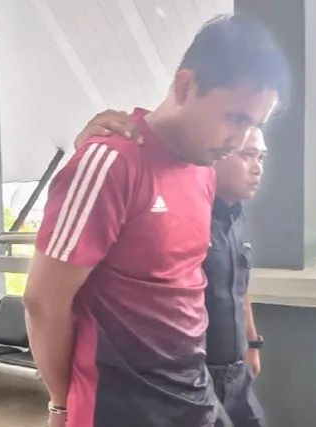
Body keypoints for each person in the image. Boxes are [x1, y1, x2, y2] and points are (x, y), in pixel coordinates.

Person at [24, 14, 286, 427]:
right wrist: (61, 404)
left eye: (253, 125)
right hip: (121, 406)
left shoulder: (204, 172)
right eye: (235, 118)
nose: (240, 140)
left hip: (193, 392)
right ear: (185, 87)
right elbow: (43, 303)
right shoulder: (110, 162)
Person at [75, 112, 269, 427]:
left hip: (237, 374)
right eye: (247, 155)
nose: (258, 167)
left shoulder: (238, 218)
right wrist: (92, 144)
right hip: (189, 376)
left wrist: (253, 344)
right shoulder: (181, 211)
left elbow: (240, 288)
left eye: (261, 157)